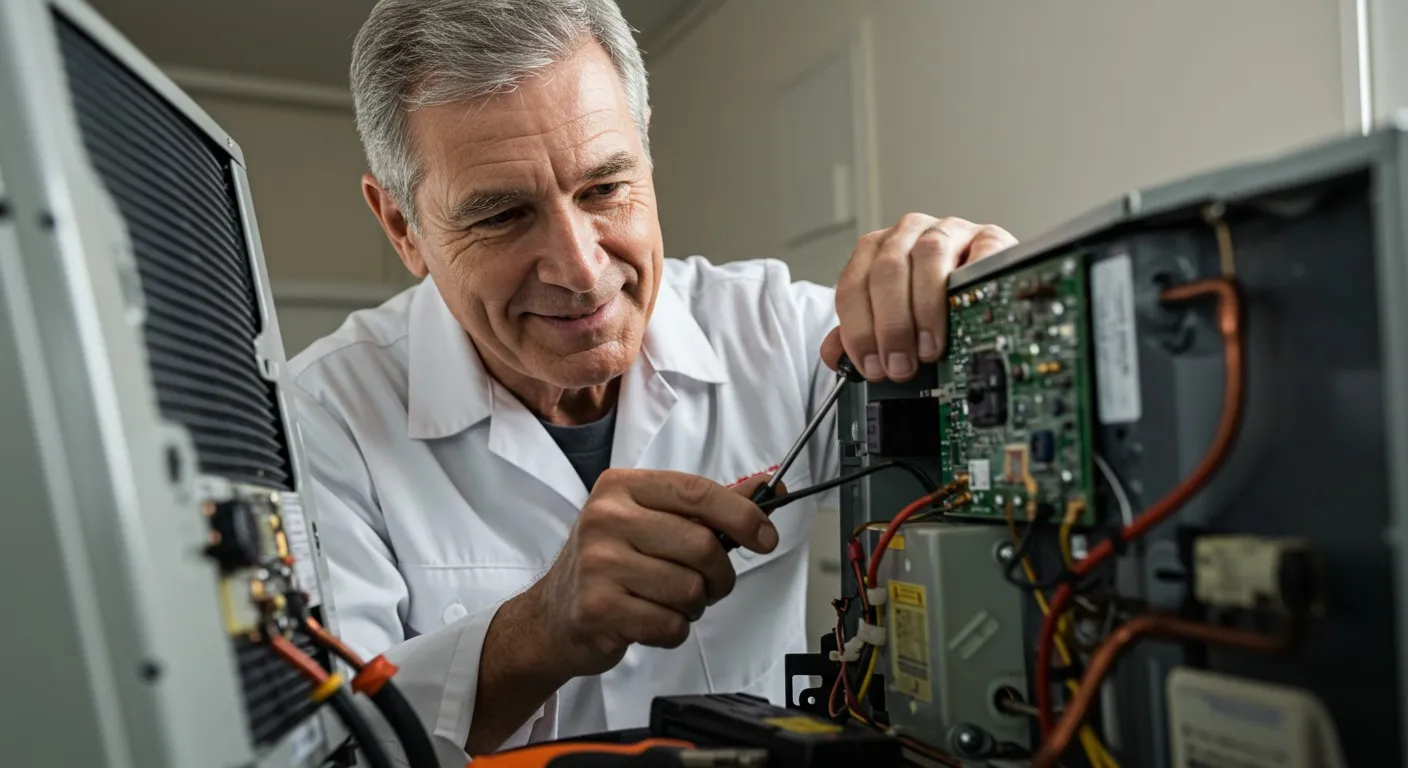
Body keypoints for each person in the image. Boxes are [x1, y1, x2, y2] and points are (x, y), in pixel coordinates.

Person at [289, 0, 1016, 763]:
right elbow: (325, 746)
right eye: (502, 214)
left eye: (605, 188)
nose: (580, 268)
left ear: (645, 148)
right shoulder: (318, 420)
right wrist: (537, 634)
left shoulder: (778, 333)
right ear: (403, 226)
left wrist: (982, 295)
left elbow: (1008, 439)